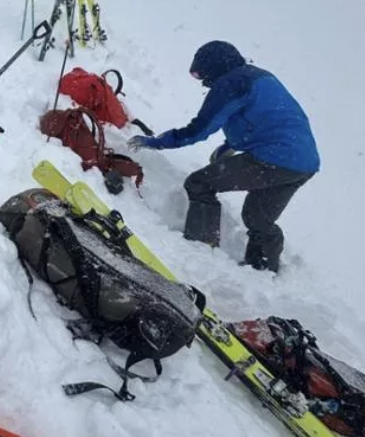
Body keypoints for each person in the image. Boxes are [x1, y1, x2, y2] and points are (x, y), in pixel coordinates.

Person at [128, 41, 319, 273]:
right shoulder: (256, 76)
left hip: (273, 159)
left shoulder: (231, 83)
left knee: (199, 183)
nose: (203, 81)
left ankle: (200, 247)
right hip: (303, 165)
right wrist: (230, 145)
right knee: (257, 218)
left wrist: (157, 142)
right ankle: (264, 270)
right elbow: (265, 120)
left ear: (214, 67)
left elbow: (199, 129)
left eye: (201, 74)